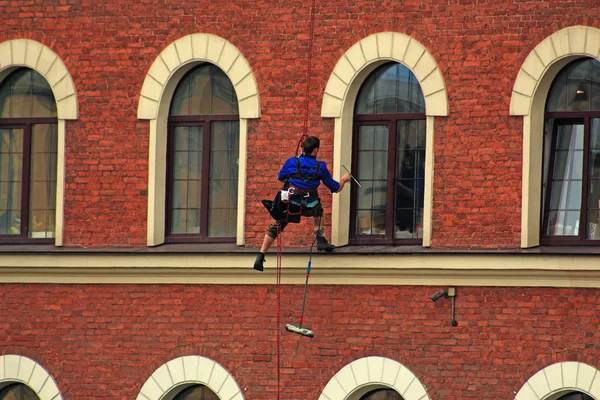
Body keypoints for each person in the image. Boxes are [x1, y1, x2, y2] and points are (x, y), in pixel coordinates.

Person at [253, 136, 351, 271]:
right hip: (310, 205)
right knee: (319, 209)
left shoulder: (292, 162)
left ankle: (261, 255)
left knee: (278, 224)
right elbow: (335, 188)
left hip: (291, 204)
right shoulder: (320, 167)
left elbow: (280, 178)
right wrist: (344, 180)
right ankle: (320, 239)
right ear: (316, 150)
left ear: (303, 148)